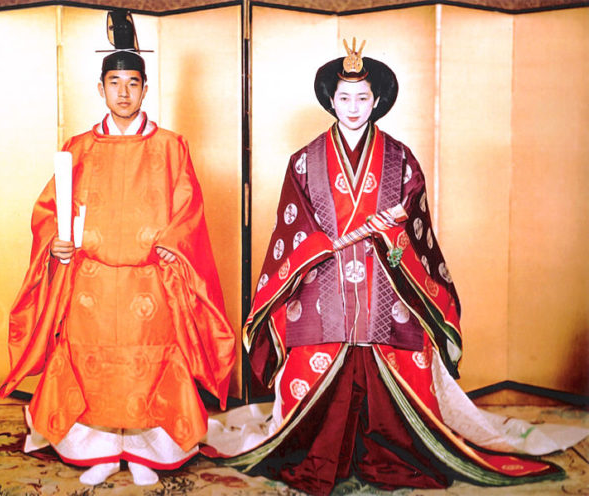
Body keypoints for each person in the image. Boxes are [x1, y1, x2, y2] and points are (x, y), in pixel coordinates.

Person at [214, 39, 577, 495]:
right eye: (343, 97)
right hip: (322, 280)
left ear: (378, 100)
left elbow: (418, 229)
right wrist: (324, 242)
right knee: (309, 352)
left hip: (386, 281)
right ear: (330, 99)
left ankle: (389, 450)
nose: (352, 107)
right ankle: (320, 451)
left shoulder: (401, 158)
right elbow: (291, 228)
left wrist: (394, 232)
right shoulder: (304, 161)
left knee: (405, 354)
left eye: (362, 97)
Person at [0, 10, 236, 487]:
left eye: (133, 83)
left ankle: (147, 451)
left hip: (150, 279)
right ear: (101, 88)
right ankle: (98, 452)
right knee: (94, 367)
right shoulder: (80, 148)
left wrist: (171, 242)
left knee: (148, 366)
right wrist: (57, 243)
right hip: (92, 280)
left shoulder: (171, 147)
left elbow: (189, 206)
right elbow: (49, 210)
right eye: (114, 83)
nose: (123, 92)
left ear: (145, 89)